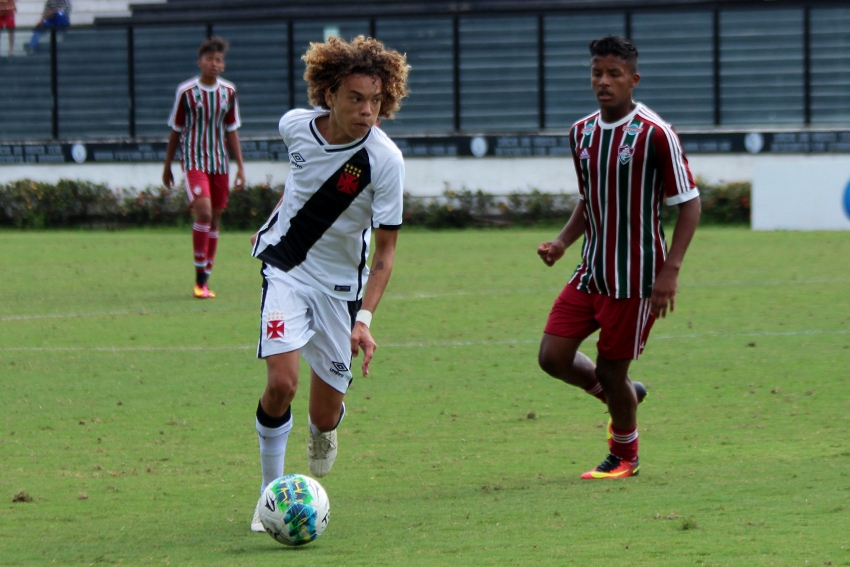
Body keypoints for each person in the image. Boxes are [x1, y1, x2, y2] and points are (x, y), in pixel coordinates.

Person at [248, 35, 409, 532]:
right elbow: (298, 182)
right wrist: (285, 223)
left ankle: (324, 431)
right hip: (288, 270)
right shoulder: (295, 127)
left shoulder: (385, 161)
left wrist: (364, 319)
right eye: (356, 99)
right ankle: (267, 498)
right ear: (330, 94)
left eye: (376, 101)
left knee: (323, 413)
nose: (367, 111)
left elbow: (384, 255)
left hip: (342, 289)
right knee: (281, 384)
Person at [536, 35, 701, 480]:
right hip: (592, 271)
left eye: (613, 74)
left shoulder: (655, 134)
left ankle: (625, 455)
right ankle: (621, 393)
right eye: (596, 72)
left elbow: (689, 203)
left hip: (637, 277)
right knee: (552, 356)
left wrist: (670, 271)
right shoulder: (582, 132)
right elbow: (591, 199)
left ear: (633, 79)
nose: (603, 82)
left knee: (612, 368)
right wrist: (563, 242)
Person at [163, 36, 245, 299]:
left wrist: (240, 167)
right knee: (205, 213)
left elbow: (231, 130)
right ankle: (199, 281)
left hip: (220, 163)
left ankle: (206, 278)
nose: (214, 63)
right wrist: (167, 166)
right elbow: (176, 130)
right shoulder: (187, 92)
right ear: (200, 62)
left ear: (223, 66)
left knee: (216, 218)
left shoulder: (228, 92)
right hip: (194, 161)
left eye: (218, 60)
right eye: (209, 59)